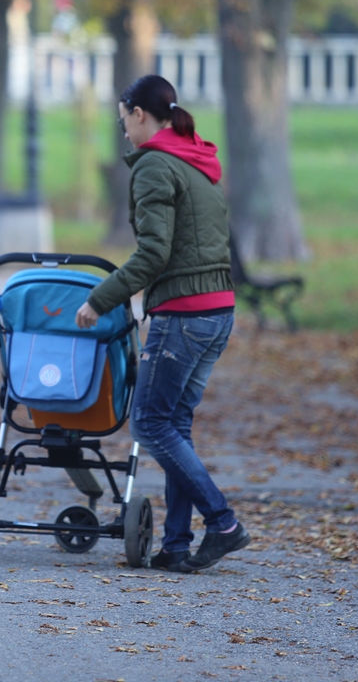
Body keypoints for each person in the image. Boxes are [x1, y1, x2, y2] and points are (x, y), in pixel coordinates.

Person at [75, 74, 249, 573]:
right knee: (174, 425)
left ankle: (223, 523)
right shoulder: (195, 160)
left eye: (122, 119)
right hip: (217, 311)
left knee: (150, 423)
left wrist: (100, 300)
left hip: (184, 315)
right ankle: (175, 544)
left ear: (138, 114)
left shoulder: (154, 165)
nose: (122, 129)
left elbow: (154, 252)